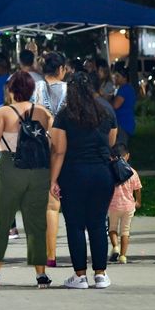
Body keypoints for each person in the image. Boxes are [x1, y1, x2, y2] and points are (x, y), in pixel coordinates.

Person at [0, 71, 53, 288]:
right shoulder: (44, 113)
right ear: (31, 90)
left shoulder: (3, 113)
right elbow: (54, 145)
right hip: (38, 171)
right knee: (37, 224)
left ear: (10, 90)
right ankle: (41, 275)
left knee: (1, 221)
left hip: (10, 168)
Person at [50, 71, 117, 290]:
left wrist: (53, 180)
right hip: (102, 173)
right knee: (98, 224)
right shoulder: (106, 110)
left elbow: (59, 151)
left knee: (76, 225)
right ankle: (101, 274)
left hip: (73, 173)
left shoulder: (65, 114)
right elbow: (111, 141)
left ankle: (80, 276)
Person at [31, 51, 67, 267]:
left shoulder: (37, 89)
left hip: (42, 149)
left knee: (50, 206)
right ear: (61, 69)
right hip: (66, 149)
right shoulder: (68, 90)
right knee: (63, 204)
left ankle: (50, 255)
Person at [107, 142, 142, 264]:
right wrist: (138, 201)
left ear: (112, 157)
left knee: (112, 229)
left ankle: (115, 246)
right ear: (127, 156)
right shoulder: (132, 172)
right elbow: (137, 188)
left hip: (113, 206)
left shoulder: (110, 171)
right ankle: (123, 256)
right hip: (128, 206)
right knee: (125, 231)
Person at [112, 68, 136, 145]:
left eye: (118, 76)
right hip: (126, 122)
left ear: (124, 78)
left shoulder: (124, 89)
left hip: (123, 123)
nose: (115, 78)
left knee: (120, 148)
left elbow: (116, 105)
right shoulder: (128, 88)